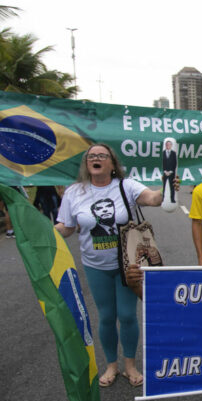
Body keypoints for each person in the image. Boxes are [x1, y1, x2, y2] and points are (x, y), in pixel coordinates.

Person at [55, 143, 176, 388]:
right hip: (94, 265)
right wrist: (39, 235)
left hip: (128, 265)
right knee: (107, 317)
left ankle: (130, 365)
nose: (96, 159)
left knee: (127, 315)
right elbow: (66, 227)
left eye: (102, 155)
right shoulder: (74, 192)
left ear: (112, 163)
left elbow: (152, 199)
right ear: (86, 163)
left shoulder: (126, 186)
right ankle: (111, 365)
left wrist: (166, 188)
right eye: (91, 156)